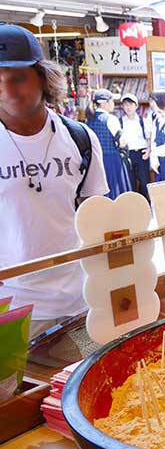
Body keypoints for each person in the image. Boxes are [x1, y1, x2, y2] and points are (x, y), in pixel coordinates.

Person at [0, 24, 108, 339]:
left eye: (18, 77)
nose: (8, 90)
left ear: (43, 78)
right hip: (12, 308)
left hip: (82, 302)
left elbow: (96, 215)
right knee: (17, 390)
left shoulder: (80, 138)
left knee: (77, 386)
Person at [86, 88, 131, 200]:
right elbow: (122, 141)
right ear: (104, 103)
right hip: (112, 160)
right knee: (116, 194)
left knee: (101, 194)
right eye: (111, 101)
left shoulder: (88, 121)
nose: (113, 104)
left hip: (96, 161)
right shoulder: (110, 119)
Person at [119, 93, 152, 199]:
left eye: (130, 104)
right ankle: (134, 204)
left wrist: (148, 150)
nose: (128, 107)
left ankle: (145, 203)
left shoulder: (143, 120)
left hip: (141, 153)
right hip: (128, 154)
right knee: (130, 180)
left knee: (144, 181)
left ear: (136, 106)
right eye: (125, 105)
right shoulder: (120, 122)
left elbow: (149, 137)